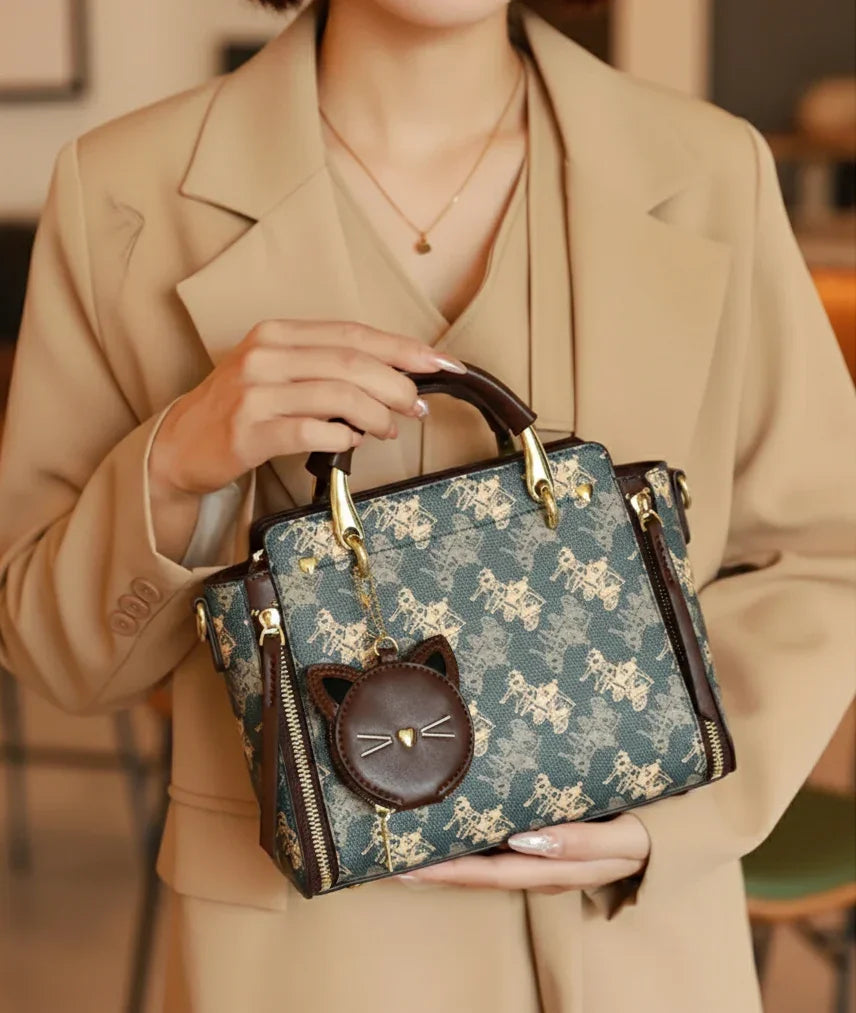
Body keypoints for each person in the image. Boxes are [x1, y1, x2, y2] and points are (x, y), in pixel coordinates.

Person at [0, 1, 853, 1010]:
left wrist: (678, 818)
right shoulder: (122, 191)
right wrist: (180, 460)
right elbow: (58, 654)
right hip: (297, 959)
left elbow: (823, 551)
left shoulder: (711, 169)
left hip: (635, 944)